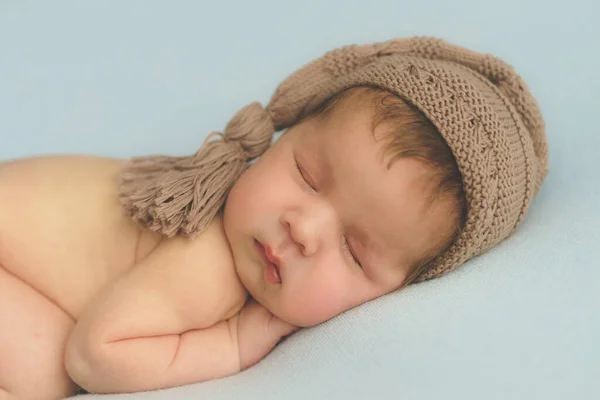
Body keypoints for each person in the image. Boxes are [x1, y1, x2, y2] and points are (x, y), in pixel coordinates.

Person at [0, 36, 548, 399]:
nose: (302, 229)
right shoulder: (206, 265)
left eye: (354, 252)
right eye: (307, 175)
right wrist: (232, 345)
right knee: (46, 368)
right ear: (281, 137)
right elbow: (95, 357)